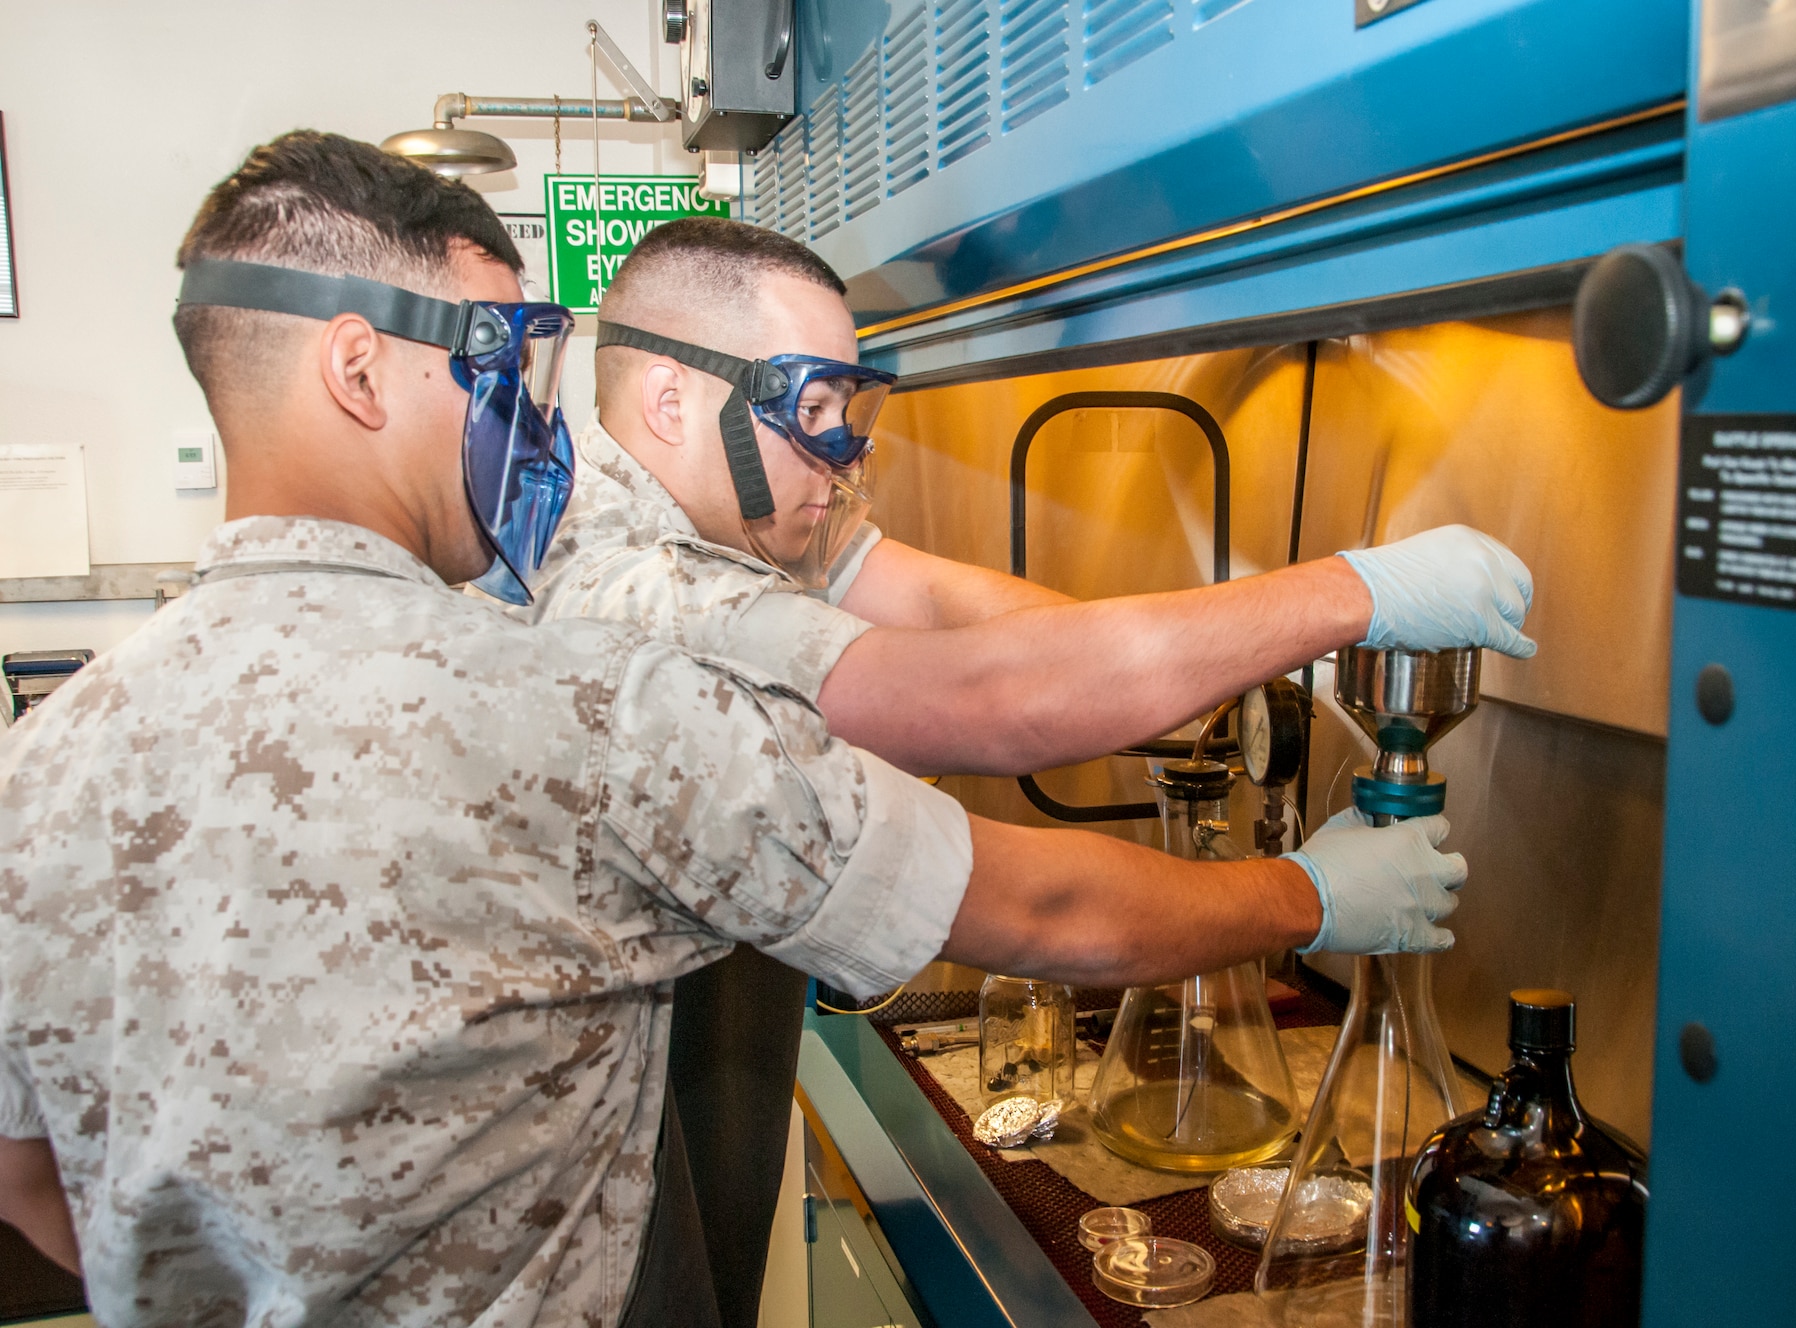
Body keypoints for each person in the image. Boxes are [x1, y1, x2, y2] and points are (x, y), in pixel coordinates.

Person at [0, 132, 1477, 1328]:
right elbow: (1030, 874)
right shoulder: (587, 694)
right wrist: (1318, 876)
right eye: (504, 363)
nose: (534, 423)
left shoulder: (38, 762)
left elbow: (31, 1181)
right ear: (358, 366)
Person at [521, 217, 1538, 1327]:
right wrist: (1347, 603)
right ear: (672, 400)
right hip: (606, 1238)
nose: (841, 451)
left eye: (850, 413)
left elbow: (951, 611)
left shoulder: (747, 511)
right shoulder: (635, 591)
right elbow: (985, 713)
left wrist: (1199, 681)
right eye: (809, 410)